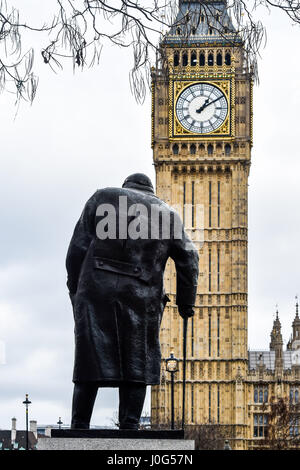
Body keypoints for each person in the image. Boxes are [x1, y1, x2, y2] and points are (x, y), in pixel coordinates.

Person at [66, 173, 199, 430]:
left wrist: (75, 287)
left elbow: (76, 249)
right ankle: (130, 426)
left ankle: (79, 426)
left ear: (126, 187)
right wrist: (186, 303)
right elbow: (189, 259)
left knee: (88, 362)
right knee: (138, 362)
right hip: (142, 297)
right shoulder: (168, 215)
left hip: (95, 292)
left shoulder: (102, 196)